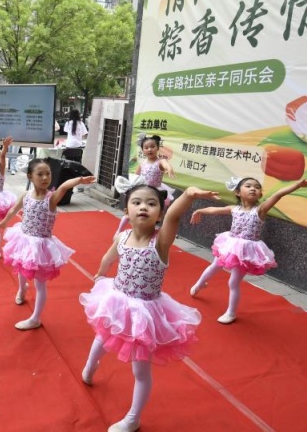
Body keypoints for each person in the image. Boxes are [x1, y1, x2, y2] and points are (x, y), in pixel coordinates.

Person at [80, 180, 218, 432]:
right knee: (102, 336)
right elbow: (110, 256)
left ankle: (133, 418)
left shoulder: (161, 242)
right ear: (126, 211)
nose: (143, 207)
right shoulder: (123, 236)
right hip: (116, 299)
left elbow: (175, 215)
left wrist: (188, 194)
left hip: (145, 311)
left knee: (140, 370)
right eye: (137, 202)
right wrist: (101, 273)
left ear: (160, 213)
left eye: (151, 203)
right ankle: (90, 367)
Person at [189, 176, 307, 324]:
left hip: (247, 252)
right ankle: (200, 284)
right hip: (230, 245)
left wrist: (298, 185)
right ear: (238, 192)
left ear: (260, 194)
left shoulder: (260, 210)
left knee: (233, 282)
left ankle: (231, 313)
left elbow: (278, 195)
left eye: (257, 187)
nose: (253, 189)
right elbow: (215, 210)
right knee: (215, 265)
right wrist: (200, 210)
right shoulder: (234, 209)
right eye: (248, 186)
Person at [0, 159, 95, 330]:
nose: (45, 178)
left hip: (40, 246)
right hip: (23, 238)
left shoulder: (51, 199)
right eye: (40, 174)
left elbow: (64, 186)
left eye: (48, 174)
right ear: (30, 176)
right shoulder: (25, 195)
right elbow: (14, 209)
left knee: (40, 283)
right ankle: (21, 289)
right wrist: (5, 221)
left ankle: (35, 318)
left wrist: (79, 180)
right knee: (21, 266)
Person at [114, 134, 176, 237]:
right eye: (146, 147)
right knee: (130, 213)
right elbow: (136, 177)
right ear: (143, 150)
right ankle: (118, 231)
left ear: (158, 148)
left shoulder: (160, 161)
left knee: (152, 215)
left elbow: (166, 165)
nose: (149, 149)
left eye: (152, 146)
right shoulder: (142, 163)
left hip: (155, 193)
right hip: (142, 191)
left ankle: (151, 233)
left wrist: (169, 169)